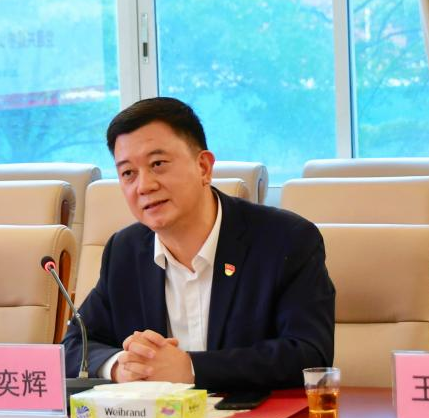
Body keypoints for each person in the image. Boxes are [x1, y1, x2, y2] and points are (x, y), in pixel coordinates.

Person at [62, 97, 335, 392]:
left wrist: (191, 369)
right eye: (128, 173)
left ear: (203, 167)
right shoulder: (124, 251)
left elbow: (309, 354)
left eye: (157, 164)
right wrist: (120, 365)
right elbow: (74, 345)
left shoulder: (286, 240)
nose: (144, 186)